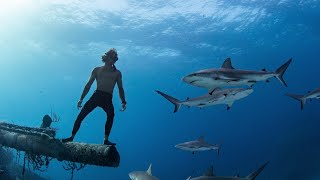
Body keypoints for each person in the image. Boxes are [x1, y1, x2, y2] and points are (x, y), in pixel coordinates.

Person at [62, 48, 126, 145]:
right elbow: (88, 85)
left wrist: (123, 101)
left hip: (108, 98)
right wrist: (81, 99)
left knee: (111, 115)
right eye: (112, 58)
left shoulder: (117, 73)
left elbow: (120, 88)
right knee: (81, 115)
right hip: (96, 95)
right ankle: (72, 137)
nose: (113, 61)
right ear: (106, 57)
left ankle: (105, 140)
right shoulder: (97, 70)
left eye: (115, 59)